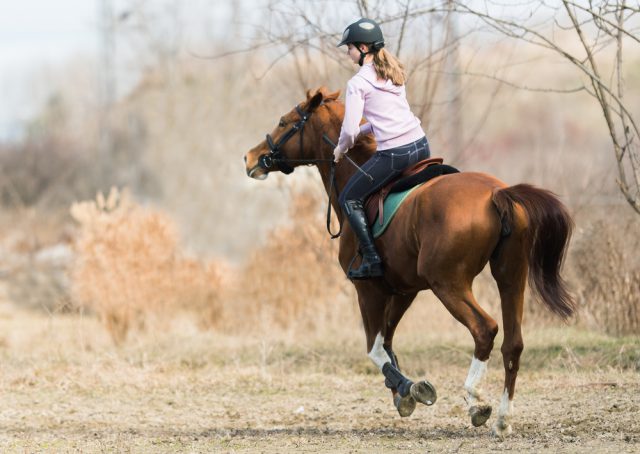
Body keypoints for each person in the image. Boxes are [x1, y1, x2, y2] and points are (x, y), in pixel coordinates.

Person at [334, 18, 431, 280]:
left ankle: (373, 260)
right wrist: (364, 131)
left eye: (350, 47)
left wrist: (340, 149)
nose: (348, 52)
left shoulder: (357, 84)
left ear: (363, 48)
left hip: (395, 155)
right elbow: (381, 120)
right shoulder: (392, 73)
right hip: (421, 146)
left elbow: (350, 131)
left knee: (348, 198)